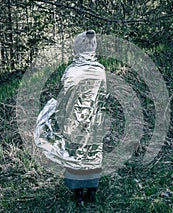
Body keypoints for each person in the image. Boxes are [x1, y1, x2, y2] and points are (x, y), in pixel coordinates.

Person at [56, 30, 107, 205]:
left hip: (74, 120)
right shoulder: (100, 70)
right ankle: (91, 192)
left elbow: (64, 96)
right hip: (94, 119)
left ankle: (78, 194)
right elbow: (103, 94)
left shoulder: (71, 71)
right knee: (92, 152)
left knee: (75, 154)